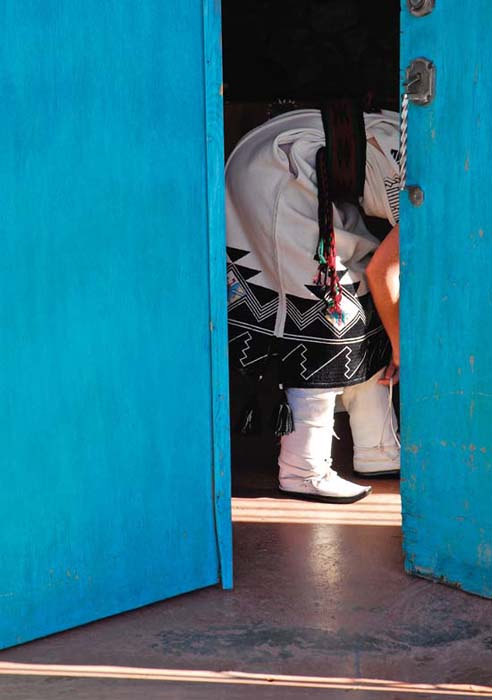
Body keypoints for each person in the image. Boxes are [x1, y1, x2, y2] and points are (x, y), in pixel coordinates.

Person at [226, 105, 401, 504]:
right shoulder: (449, 187)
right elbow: (384, 272)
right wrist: (400, 345)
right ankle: (304, 468)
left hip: (303, 169)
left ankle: (377, 449)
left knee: (358, 301)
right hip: (280, 171)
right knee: (327, 308)